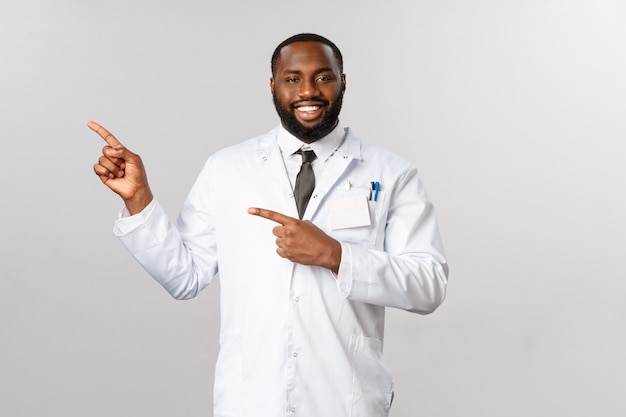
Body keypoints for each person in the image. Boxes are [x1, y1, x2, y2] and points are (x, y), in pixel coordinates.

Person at [89, 33, 448, 417]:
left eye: (323, 77)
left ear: (343, 82)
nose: (308, 90)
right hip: (252, 398)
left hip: (344, 398)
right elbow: (184, 277)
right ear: (273, 85)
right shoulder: (227, 168)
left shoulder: (391, 173)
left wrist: (336, 256)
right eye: (292, 78)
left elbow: (429, 285)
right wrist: (138, 199)